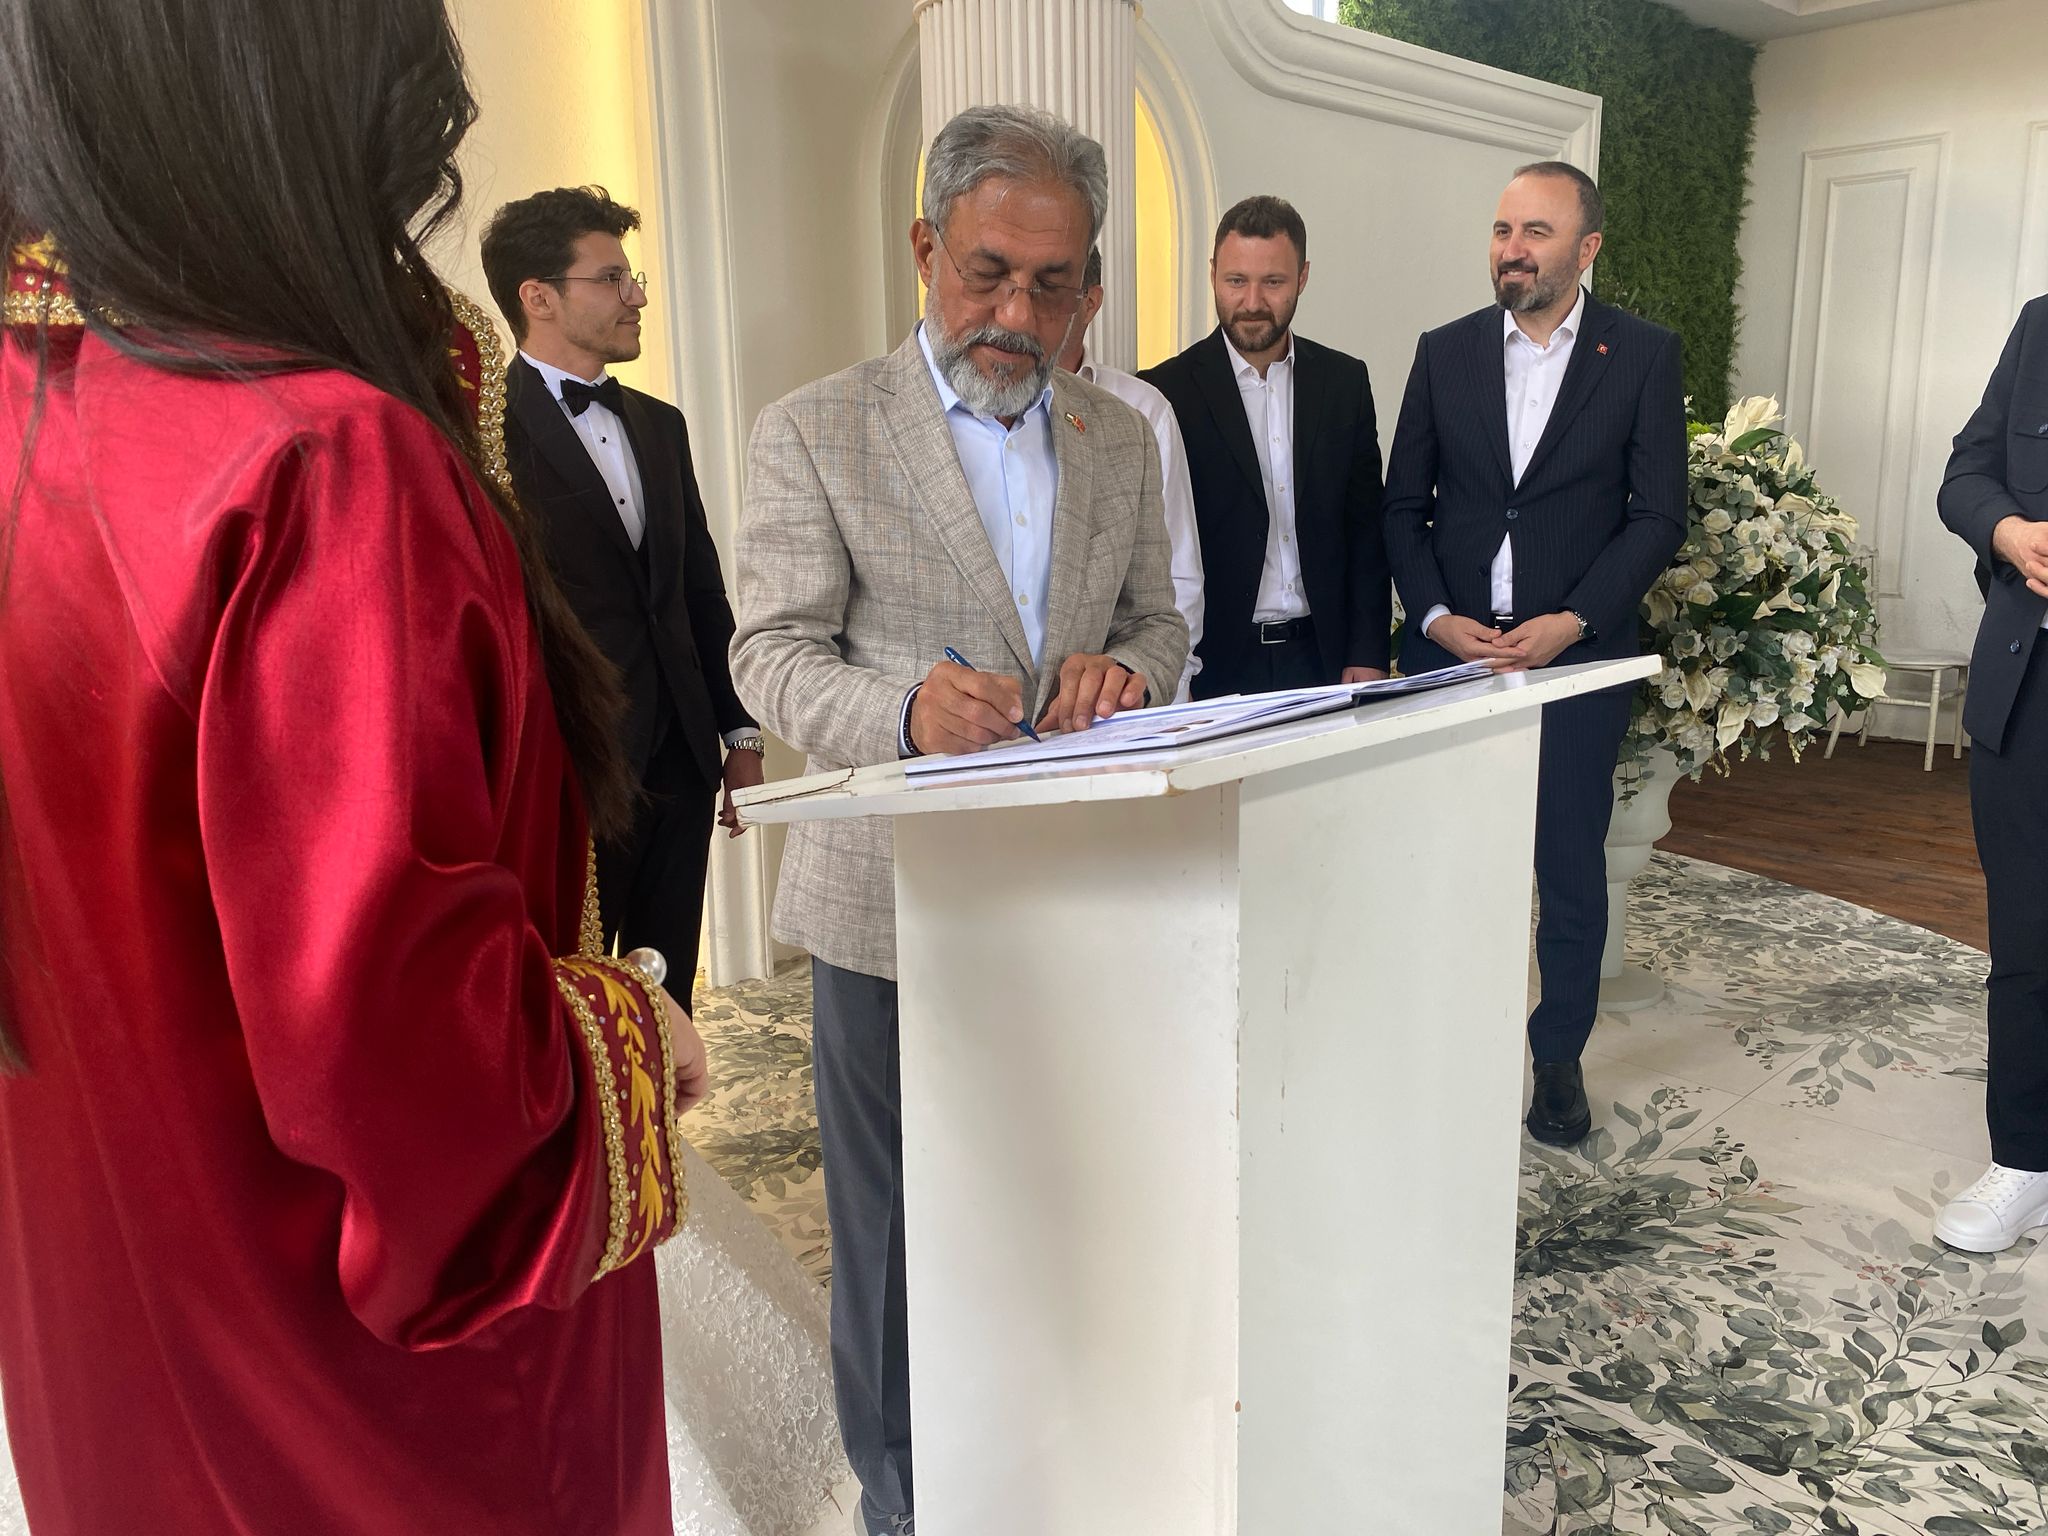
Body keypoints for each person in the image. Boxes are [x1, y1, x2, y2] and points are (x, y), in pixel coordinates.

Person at [0, 2, 720, 1531]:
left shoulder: (37, 403)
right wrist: (632, 1036)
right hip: (373, 1418)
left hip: (116, 1337)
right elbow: (442, 1130)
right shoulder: (313, 456)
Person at [728, 103, 1188, 1536]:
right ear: (926, 249)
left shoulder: (1118, 438)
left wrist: (1130, 673)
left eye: (1054, 286)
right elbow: (769, 654)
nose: (1016, 316)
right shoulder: (813, 428)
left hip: (1083, 882)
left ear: (1091, 291)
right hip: (887, 897)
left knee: (1062, 1180)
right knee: (890, 1231)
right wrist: (904, 713)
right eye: (987, 273)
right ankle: (905, 1499)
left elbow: (1160, 622)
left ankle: (1058, 1434)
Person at [1382, 161, 1687, 1148]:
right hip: (1453, 660)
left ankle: (1557, 1060)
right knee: (1444, 863)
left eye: (1536, 232)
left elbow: (1657, 516)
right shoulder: (1444, 353)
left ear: (1585, 248)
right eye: (1502, 229)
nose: (1511, 249)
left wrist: (1574, 620)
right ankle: (1437, 1039)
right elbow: (1402, 507)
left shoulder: (1641, 356)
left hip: (1576, 661)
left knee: (1568, 870)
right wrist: (1435, 617)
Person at [483, 187, 762, 994]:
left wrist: (740, 737)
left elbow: (700, 589)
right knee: (567, 997)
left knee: (665, 992)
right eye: (611, 279)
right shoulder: (481, 433)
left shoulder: (660, 423)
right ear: (538, 297)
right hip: (568, 766)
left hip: (680, 758)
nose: (636, 296)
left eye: (630, 277)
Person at [1141, 195, 1390, 697]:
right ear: (1213, 274)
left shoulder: (1344, 382)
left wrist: (1368, 650)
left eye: (1272, 282)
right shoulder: (1163, 393)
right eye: (1236, 281)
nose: (1252, 302)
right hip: (1212, 665)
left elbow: (1366, 527)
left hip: (1325, 659)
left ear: (1302, 278)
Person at [1933, 295, 2048, 1253]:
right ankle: (2025, 1158)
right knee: (2027, 934)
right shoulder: (2042, 325)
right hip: (2027, 685)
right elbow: (1965, 473)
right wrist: (2008, 530)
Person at [1056, 245, 1206, 701]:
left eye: (1053, 287)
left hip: (1119, 710)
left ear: (1090, 302)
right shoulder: (976, 408)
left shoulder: (1141, 410)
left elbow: (1178, 578)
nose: (1025, 307)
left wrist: (1160, 697)